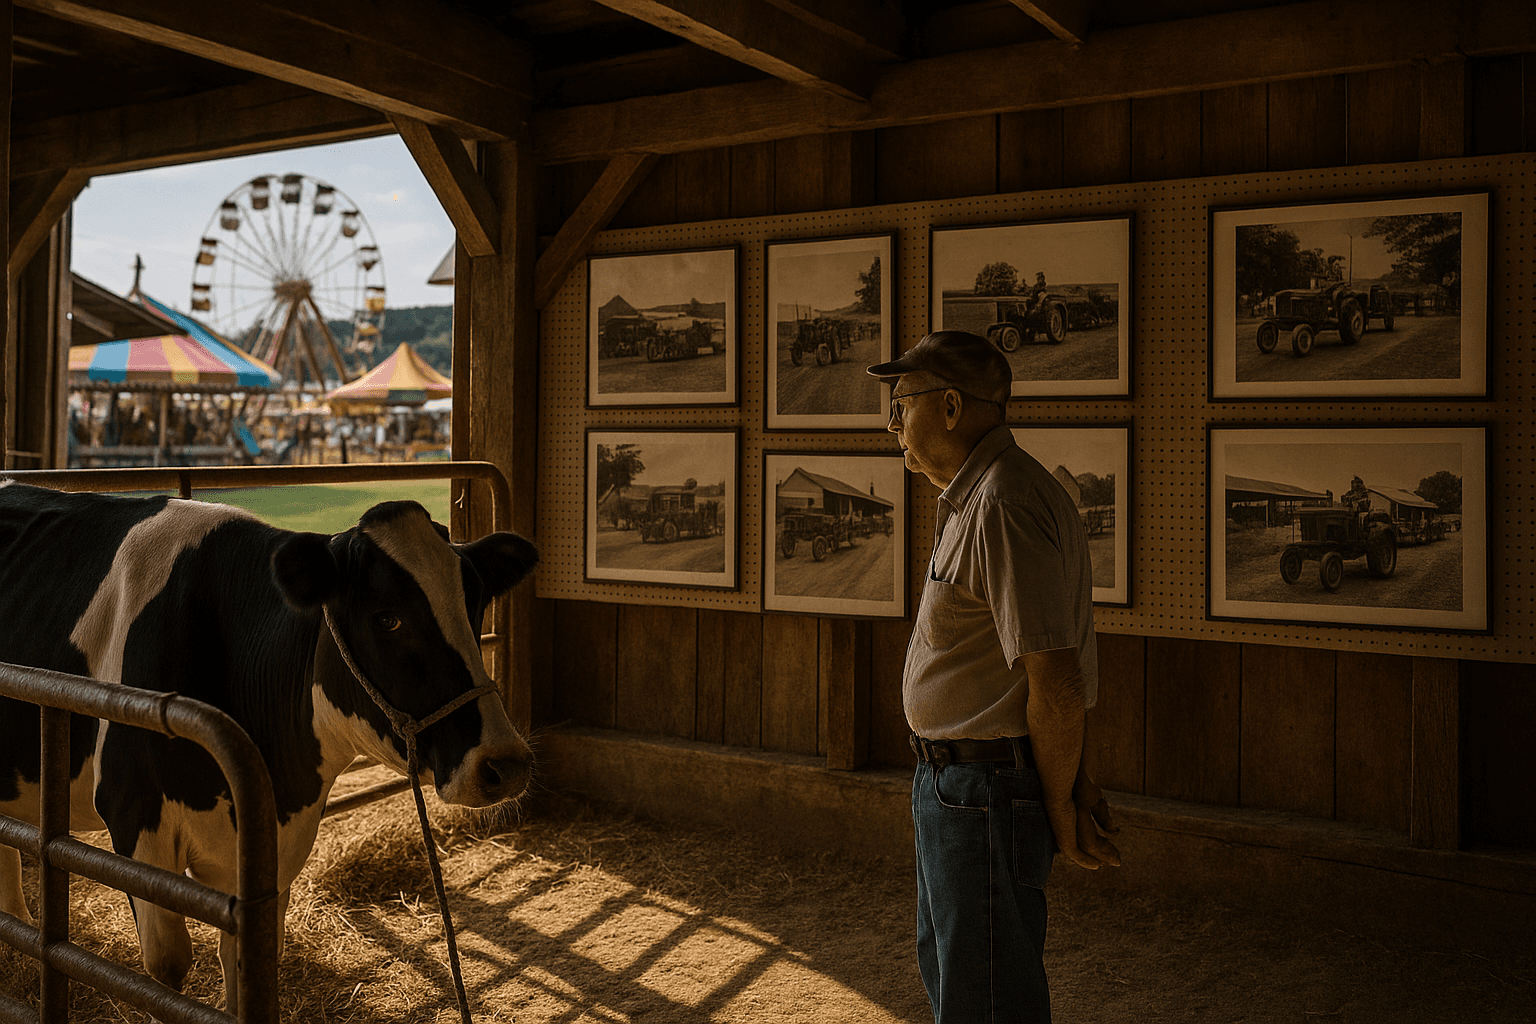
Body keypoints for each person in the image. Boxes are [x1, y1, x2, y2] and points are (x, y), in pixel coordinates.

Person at [867, 330, 1120, 1023]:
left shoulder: (1004, 502)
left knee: (983, 997)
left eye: (902, 405)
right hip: (962, 785)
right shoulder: (981, 496)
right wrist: (1069, 781)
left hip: (982, 790)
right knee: (963, 978)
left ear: (950, 407)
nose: (893, 425)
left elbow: (1055, 679)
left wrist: (1060, 803)